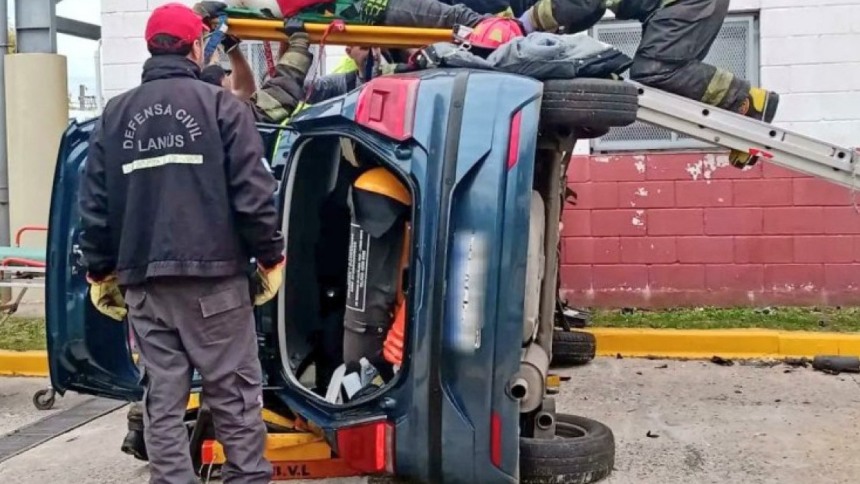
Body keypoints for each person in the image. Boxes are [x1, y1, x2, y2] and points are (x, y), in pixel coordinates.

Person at [79, 3, 284, 483]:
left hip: (144, 286)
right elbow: (254, 196)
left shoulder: (114, 115)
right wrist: (270, 255)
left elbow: (95, 207)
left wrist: (99, 270)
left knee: (164, 400)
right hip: (215, 283)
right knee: (233, 395)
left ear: (151, 49)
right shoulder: (222, 107)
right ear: (195, 47)